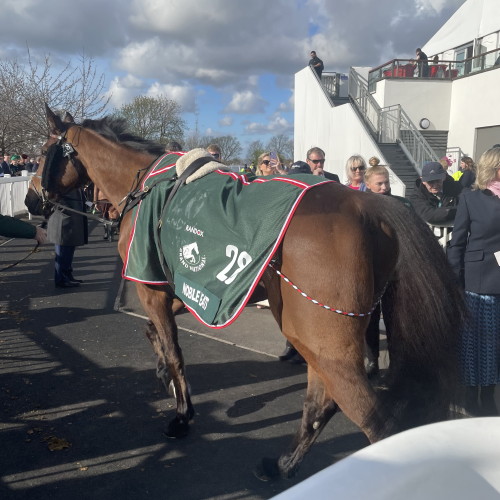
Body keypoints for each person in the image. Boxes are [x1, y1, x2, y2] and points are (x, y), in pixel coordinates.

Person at [447, 147, 500, 416]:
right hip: (478, 280)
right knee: (475, 341)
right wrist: (455, 280)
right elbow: (456, 243)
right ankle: (469, 393)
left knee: (495, 342)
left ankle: (489, 394)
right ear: (495, 168)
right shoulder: (472, 198)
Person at [47, 188, 88, 288]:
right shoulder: (58, 182)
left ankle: (68, 275)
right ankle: (61, 279)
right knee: (62, 252)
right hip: (63, 220)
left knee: (69, 250)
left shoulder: (74, 183)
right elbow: (52, 198)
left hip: (71, 220)